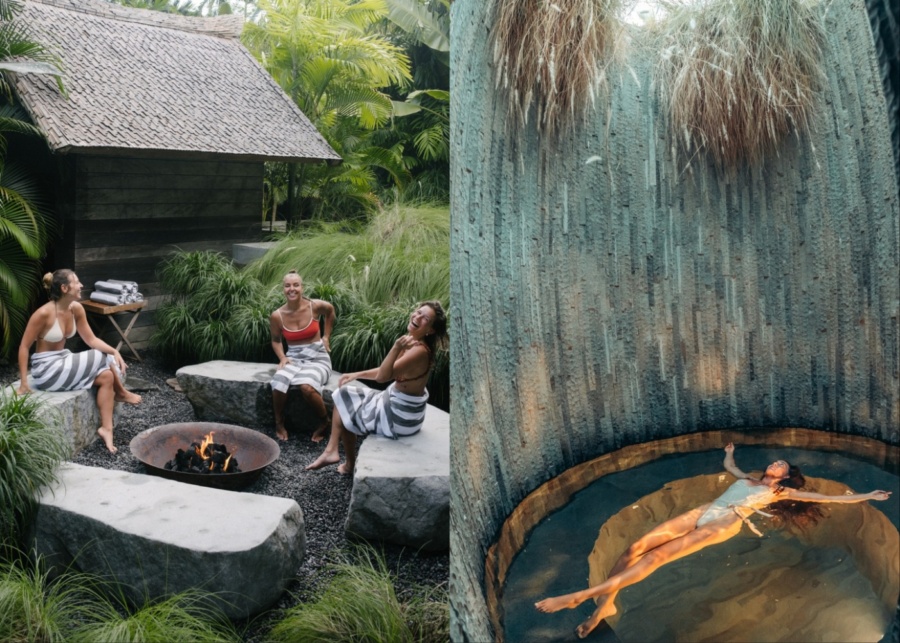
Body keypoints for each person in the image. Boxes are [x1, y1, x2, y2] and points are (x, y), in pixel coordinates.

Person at [535, 442, 893, 639]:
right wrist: (729, 455)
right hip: (704, 511)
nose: (776, 463)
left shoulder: (779, 493)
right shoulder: (748, 478)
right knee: (635, 548)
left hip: (724, 523)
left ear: (786, 476)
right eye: (776, 461)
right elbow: (731, 470)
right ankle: (605, 606)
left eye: (782, 464)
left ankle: (582, 596)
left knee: (655, 559)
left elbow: (826, 498)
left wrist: (867, 495)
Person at [305, 300, 447, 474]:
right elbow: (387, 370)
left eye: (425, 318)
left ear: (430, 330)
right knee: (345, 397)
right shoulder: (415, 342)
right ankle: (336, 454)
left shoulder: (419, 351)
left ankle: (338, 456)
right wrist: (356, 374)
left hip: (399, 418)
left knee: (345, 405)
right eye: (418, 312)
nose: (417, 317)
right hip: (402, 408)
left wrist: (396, 347)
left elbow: (382, 377)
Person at [17, 269, 142, 453]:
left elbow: (91, 340)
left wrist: (114, 351)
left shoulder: (76, 308)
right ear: (64, 288)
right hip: (46, 371)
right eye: (76, 282)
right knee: (100, 356)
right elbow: (24, 346)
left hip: (63, 360)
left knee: (107, 376)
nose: (81, 285)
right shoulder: (43, 313)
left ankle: (106, 429)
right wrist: (23, 383)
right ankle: (121, 392)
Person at [269, 270, 335, 441]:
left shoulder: (314, 306)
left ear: (302, 287)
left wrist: (326, 337)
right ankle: (279, 422)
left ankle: (325, 422)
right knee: (279, 381)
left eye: (296, 285)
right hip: (294, 357)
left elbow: (330, 311)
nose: (292, 289)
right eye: (287, 286)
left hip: (318, 356)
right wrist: (282, 357)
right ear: (283, 289)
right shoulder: (277, 316)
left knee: (306, 386)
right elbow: (276, 340)